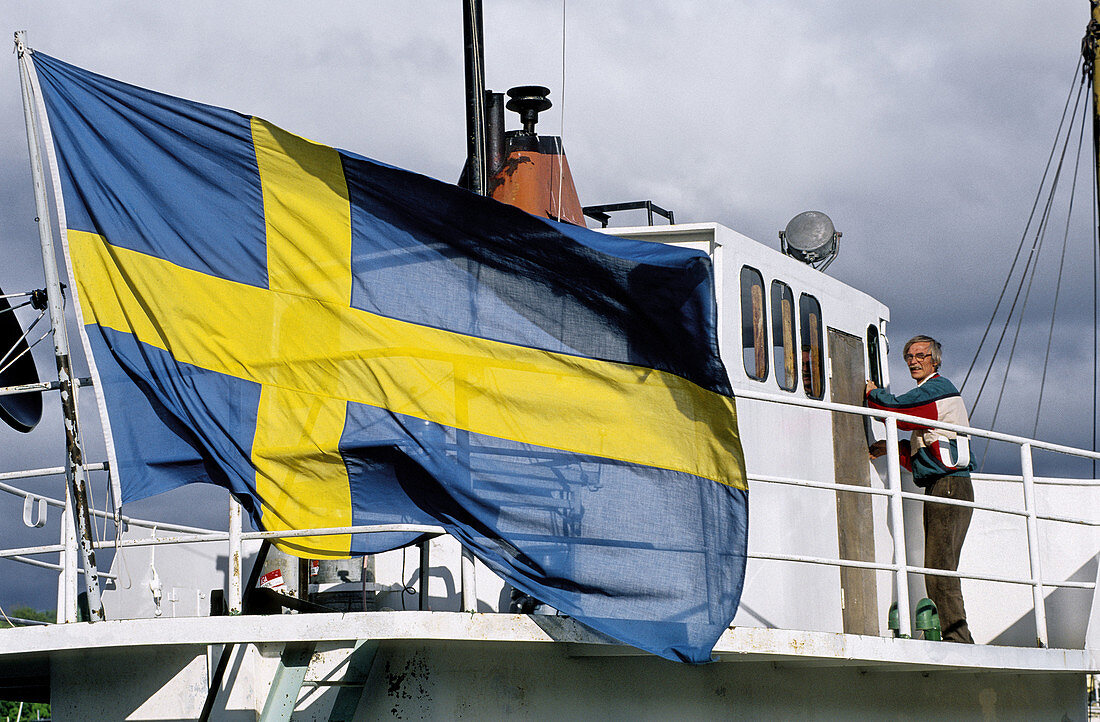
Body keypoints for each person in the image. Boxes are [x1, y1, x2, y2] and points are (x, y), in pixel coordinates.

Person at [865, 335, 975, 643]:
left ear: (935, 360)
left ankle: (958, 640)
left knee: (939, 567)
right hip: (947, 487)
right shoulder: (932, 397)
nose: (914, 360)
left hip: (950, 488)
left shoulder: (937, 391)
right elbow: (925, 457)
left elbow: (897, 412)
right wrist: (893, 449)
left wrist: (872, 393)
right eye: (909, 356)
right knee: (940, 566)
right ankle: (955, 636)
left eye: (921, 355)